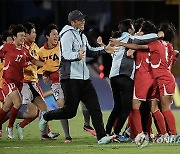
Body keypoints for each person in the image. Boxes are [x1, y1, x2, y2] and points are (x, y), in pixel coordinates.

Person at [39, 10, 118, 144]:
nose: (83, 22)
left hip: (84, 78)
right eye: (80, 20)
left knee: (95, 107)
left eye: (83, 20)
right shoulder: (66, 35)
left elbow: (90, 51)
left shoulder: (82, 36)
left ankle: (101, 137)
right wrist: (77, 56)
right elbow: (65, 55)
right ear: (73, 22)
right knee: (70, 112)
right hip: (70, 78)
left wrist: (105, 50)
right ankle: (45, 116)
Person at [110, 22, 178, 143]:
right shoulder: (170, 48)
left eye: (140, 30)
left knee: (136, 106)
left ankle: (142, 134)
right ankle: (163, 134)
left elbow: (130, 52)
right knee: (154, 108)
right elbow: (174, 55)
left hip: (148, 77)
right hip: (158, 78)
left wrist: (120, 43)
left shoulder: (154, 44)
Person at [105, 19, 160, 142]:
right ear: (129, 29)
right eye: (133, 27)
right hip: (125, 76)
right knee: (127, 107)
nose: (135, 29)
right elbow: (146, 39)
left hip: (113, 76)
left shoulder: (117, 39)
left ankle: (107, 132)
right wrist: (159, 35)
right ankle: (117, 133)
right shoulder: (130, 38)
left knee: (117, 107)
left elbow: (109, 49)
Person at [16, 22, 59, 140]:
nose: (35, 34)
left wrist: (45, 73)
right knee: (39, 110)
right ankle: (45, 133)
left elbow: (39, 63)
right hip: (25, 82)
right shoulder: (21, 47)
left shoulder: (35, 47)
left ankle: (22, 125)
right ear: (27, 34)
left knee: (36, 111)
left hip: (33, 81)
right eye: (33, 32)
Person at [0, 24, 44, 139]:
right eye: (21, 36)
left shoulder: (24, 50)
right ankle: (10, 127)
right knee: (18, 102)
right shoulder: (6, 47)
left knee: (6, 109)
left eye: (24, 36)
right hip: (8, 81)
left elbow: (33, 61)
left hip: (19, 82)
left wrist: (46, 65)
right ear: (14, 37)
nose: (23, 38)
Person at [0, 31, 13, 137]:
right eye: (10, 39)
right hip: (1, 85)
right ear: (4, 41)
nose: (12, 41)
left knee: (8, 109)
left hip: (7, 85)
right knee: (8, 107)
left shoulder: (12, 52)